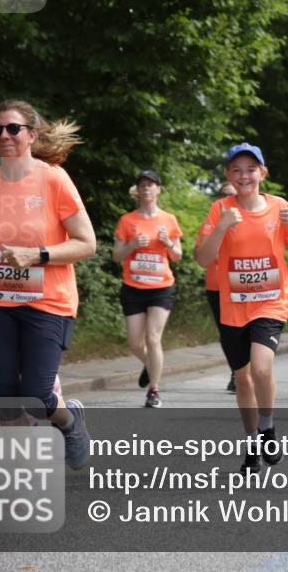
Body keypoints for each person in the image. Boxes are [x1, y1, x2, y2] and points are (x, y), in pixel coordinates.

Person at [0, 99, 94, 469]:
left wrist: (39, 255)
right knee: (5, 394)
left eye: (13, 128)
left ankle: (70, 422)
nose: (4, 135)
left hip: (48, 302)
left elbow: (87, 243)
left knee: (35, 392)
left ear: (31, 135)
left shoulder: (53, 179)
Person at [195, 143, 288, 474]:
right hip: (233, 307)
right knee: (243, 380)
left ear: (263, 173)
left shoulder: (279, 207)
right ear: (229, 175)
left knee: (260, 367)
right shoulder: (220, 209)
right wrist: (221, 227)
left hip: (271, 302)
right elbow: (203, 258)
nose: (244, 176)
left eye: (251, 169)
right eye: (237, 170)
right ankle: (252, 443)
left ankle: (268, 427)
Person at [112, 170, 183, 408]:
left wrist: (167, 242)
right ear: (138, 191)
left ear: (158, 189)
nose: (146, 188)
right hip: (133, 287)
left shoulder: (169, 219)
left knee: (153, 338)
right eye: (142, 185)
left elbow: (177, 255)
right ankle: (152, 365)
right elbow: (116, 256)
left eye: (151, 184)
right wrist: (132, 245)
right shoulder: (127, 220)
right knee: (135, 343)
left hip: (161, 287)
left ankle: (154, 389)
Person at [195, 182, 239, 392]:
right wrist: (220, 230)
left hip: (244, 287)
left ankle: (247, 370)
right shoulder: (213, 218)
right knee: (227, 333)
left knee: (246, 332)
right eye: (224, 194)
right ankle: (236, 371)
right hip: (217, 286)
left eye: (232, 194)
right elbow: (200, 254)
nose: (228, 197)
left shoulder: (251, 215)